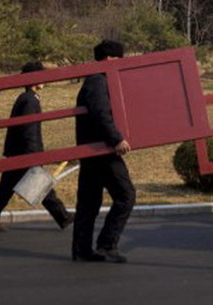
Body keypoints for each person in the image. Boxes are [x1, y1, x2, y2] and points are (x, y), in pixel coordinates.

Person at [0, 61, 72, 232]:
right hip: (24, 153)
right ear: (34, 80)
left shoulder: (26, 98)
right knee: (40, 186)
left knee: (5, 189)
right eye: (41, 76)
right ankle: (63, 217)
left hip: (17, 152)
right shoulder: (30, 101)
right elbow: (28, 130)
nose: (44, 80)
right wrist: (34, 156)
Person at [71, 40, 135, 263]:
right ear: (110, 60)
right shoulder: (99, 81)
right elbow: (100, 113)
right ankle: (107, 245)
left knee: (89, 202)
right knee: (126, 196)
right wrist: (116, 139)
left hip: (91, 149)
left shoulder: (94, 79)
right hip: (102, 150)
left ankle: (81, 250)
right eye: (119, 59)